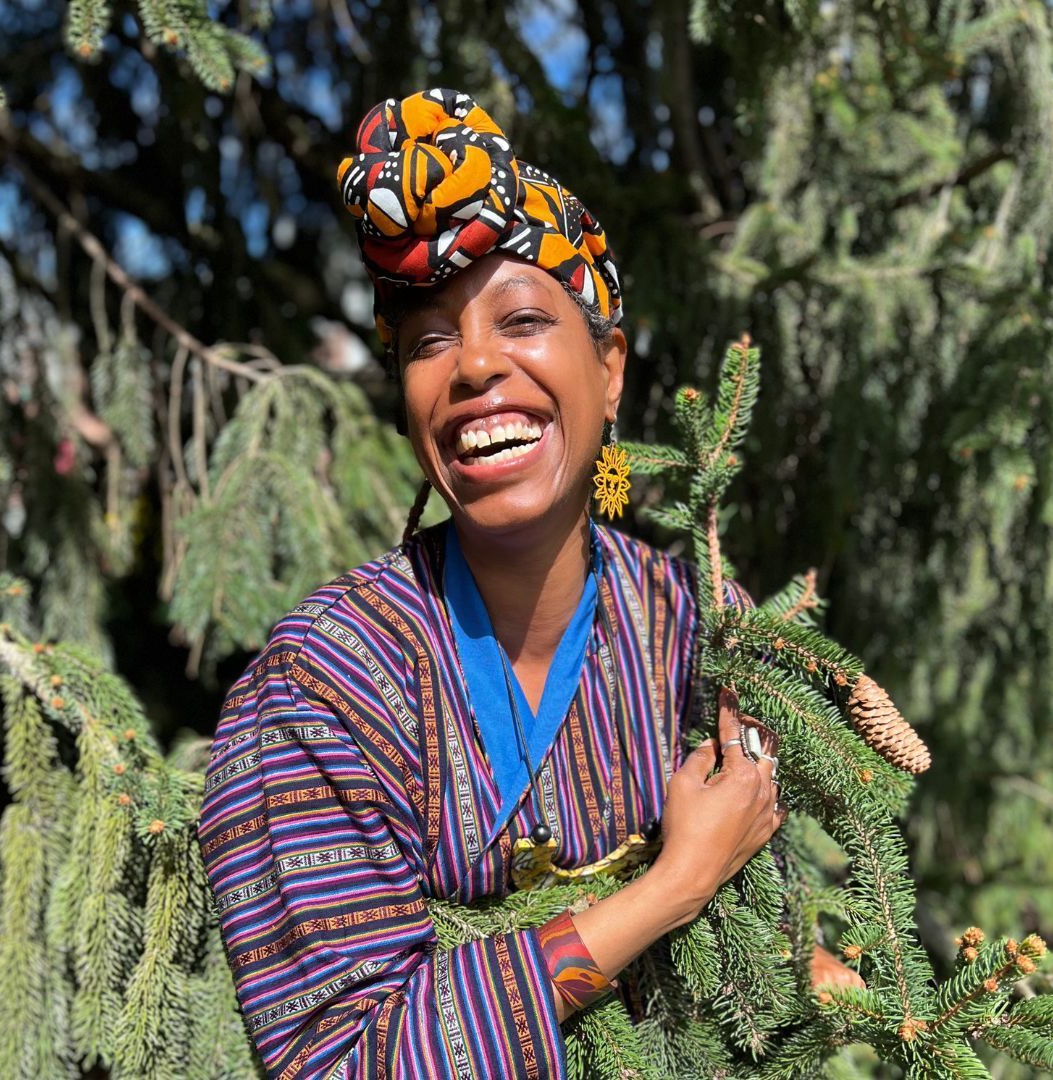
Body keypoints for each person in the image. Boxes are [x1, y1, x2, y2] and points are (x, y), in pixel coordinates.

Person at [198, 87, 861, 1080]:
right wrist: (669, 887)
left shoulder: (695, 631)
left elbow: (774, 935)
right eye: (427, 339)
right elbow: (337, 1059)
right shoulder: (315, 691)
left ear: (611, 369)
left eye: (520, 318)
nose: (471, 366)